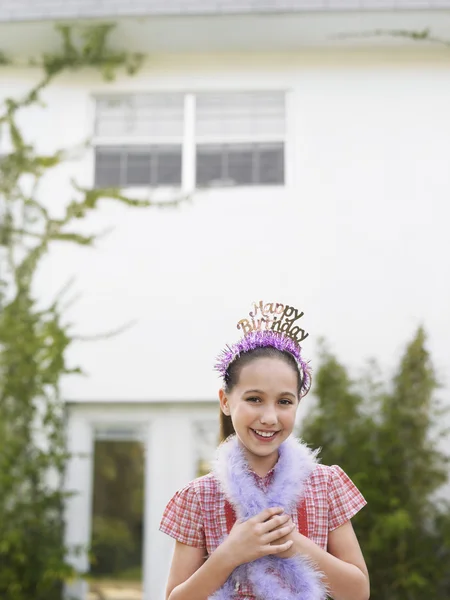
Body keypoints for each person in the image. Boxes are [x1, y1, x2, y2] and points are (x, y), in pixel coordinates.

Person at [160, 302, 370, 600]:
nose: (270, 417)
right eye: (255, 399)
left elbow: (358, 592)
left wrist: (292, 542)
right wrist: (230, 553)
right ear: (225, 401)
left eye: (284, 402)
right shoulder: (198, 497)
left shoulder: (326, 485)